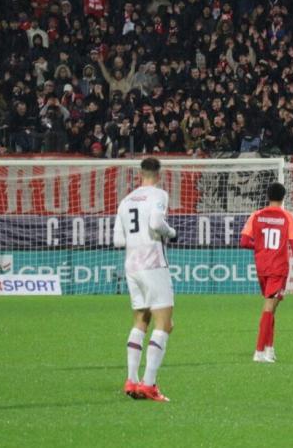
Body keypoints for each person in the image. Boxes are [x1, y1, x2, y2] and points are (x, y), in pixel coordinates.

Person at [113, 157, 176, 402]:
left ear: (140, 174)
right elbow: (156, 223)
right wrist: (171, 233)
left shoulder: (125, 200)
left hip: (132, 266)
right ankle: (149, 384)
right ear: (158, 174)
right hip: (153, 264)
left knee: (140, 320)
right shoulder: (158, 194)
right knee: (165, 324)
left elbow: (118, 241)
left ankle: (131, 379)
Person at [240, 182, 293, 363]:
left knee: (272, 307)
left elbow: (244, 242)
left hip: (262, 267)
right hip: (278, 268)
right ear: (284, 197)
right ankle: (259, 352)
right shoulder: (287, 217)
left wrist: (260, 247)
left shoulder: (256, 215)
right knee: (269, 307)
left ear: (268, 196)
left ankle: (269, 349)